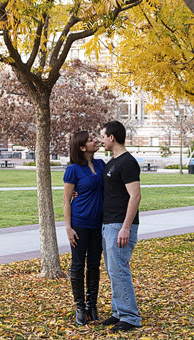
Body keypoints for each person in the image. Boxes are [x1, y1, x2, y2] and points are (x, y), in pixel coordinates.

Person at [98, 121, 142, 332]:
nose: (102, 140)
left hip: (120, 225)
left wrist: (126, 227)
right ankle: (118, 312)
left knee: (120, 271)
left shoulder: (127, 163)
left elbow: (135, 196)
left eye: (103, 136)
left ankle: (130, 317)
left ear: (112, 137)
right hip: (108, 224)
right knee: (113, 271)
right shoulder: (111, 163)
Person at [63, 131, 105, 326]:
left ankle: (92, 304)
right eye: (90, 140)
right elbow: (66, 201)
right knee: (78, 265)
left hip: (99, 225)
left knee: (95, 265)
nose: (94, 141)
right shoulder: (73, 170)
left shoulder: (101, 165)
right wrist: (68, 228)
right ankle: (80, 306)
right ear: (81, 147)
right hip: (80, 224)